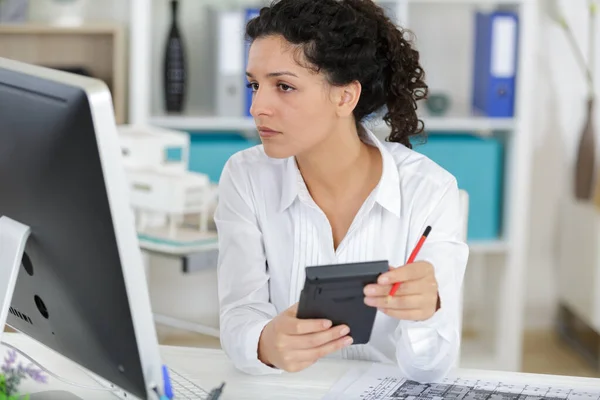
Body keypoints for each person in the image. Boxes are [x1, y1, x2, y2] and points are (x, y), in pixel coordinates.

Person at [214, 0, 469, 383]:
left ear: (344, 97)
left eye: (284, 86)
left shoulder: (429, 191)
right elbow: (239, 315)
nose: (257, 107)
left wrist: (426, 313)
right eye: (254, 85)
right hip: (285, 390)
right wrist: (265, 342)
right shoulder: (245, 176)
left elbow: (432, 369)